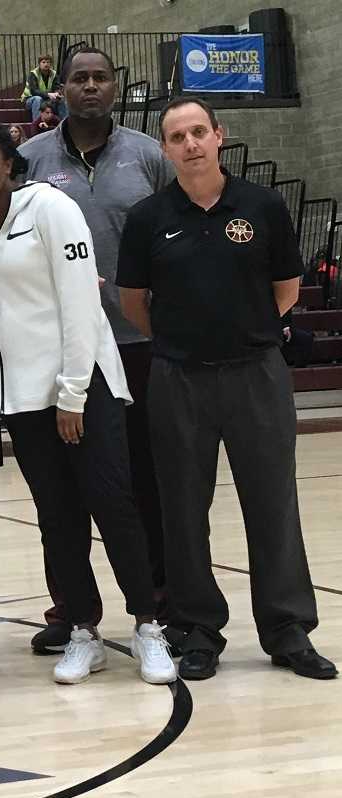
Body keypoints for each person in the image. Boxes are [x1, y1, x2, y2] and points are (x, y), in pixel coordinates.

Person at [117, 96, 337, 682]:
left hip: (256, 374)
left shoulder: (261, 205)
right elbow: (134, 303)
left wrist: (246, 329)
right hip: (178, 378)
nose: (189, 144)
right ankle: (197, 631)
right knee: (184, 510)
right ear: (164, 148)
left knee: (272, 504)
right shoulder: (147, 217)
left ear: (219, 135)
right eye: (176, 136)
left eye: (198, 132)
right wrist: (181, 338)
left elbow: (286, 287)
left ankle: (287, 629)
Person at [0, 119, 175, 685]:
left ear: (11, 165)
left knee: (113, 505)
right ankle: (83, 629)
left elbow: (81, 305)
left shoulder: (51, 208)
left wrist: (73, 393)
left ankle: (148, 626)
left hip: (81, 387)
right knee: (57, 518)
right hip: (24, 399)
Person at [20, 46, 176, 655]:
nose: (89, 87)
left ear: (115, 87)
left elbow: (172, 231)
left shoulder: (147, 155)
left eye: (99, 78)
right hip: (61, 352)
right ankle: (70, 605)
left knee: (141, 480)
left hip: (136, 344)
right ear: (59, 89)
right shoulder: (30, 160)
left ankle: (158, 599)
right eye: (78, 78)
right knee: (62, 490)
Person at [23, 55, 66, 122]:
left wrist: (57, 93)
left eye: (48, 62)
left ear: (51, 64)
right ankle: (38, 124)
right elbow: (34, 91)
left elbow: (57, 87)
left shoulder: (54, 74)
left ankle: (65, 123)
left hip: (47, 100)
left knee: (61, 99)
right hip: (30, 100)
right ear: (39, 64)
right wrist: (48, 94)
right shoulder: (33, 74)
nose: (46, 64)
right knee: (37, 99)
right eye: (43, 62)